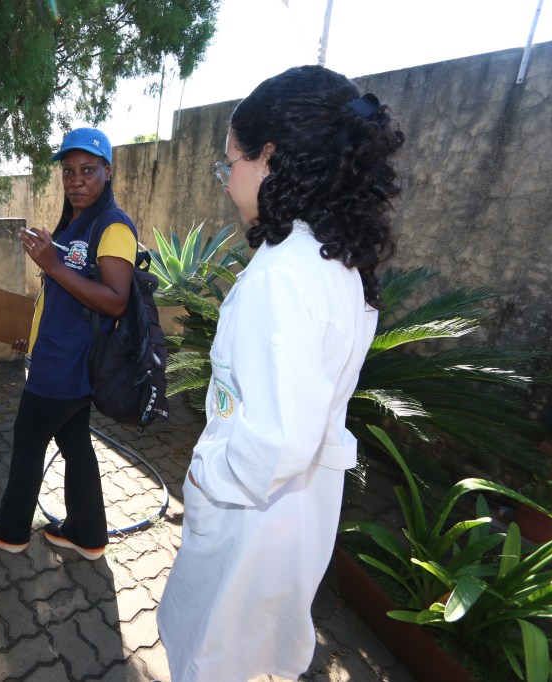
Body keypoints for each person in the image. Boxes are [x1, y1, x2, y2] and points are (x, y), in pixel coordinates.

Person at [157, 65, 405, 681]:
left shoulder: (282, 274)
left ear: (269, 157)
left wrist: (204, 467)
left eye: (228, 163)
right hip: (291, 523)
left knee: (212, 654)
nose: (224, 180)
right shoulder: (337, 262)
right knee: (247, 648)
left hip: (249, 520)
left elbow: (274, 448)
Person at [0, 127, 138, 560]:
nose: (76, 180)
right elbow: (66, 296)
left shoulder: (113, 226)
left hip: (67, 365)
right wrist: (34, 334)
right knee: (75, 445)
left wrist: (52, 264)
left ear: (107, 171)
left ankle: (9, 528)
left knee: (28, 441)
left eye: (87, 170)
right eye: (68, 171)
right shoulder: (78, 222)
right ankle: (87, 532)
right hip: (58, 355)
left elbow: (116, 301)